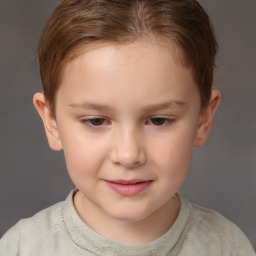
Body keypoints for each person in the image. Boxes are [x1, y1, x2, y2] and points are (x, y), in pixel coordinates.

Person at [0, 0, 254, 255]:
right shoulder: (21, 248)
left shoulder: (227, 247)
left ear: (202, 119)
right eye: (96, 121)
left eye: (158, 120)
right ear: (52, 122)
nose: (128, 155)